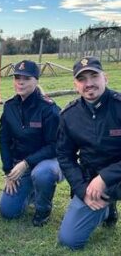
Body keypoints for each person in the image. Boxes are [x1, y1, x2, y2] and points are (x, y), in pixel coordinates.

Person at [57, 56, 121, 249]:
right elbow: (64, 156)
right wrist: (82, 190)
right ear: (76, 84)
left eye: (94, 76)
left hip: (113, 176)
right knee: (70, 240)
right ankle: (108, 209)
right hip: (91, 183)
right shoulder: (69, 115)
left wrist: (105, 177)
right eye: (82, 79)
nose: (89, 83)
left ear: (105, 78)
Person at [0, 60, 63, 226]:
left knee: (42, 173)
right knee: (7, 211)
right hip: (20, 165)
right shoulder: (9, 107)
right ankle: (31, 191)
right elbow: (3, 140)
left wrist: (26, 163)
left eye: (26, 78)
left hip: (47, 162)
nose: (20, 81)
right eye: (17, 77)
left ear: (36, 80)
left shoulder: (48, 108)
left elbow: (55, 146)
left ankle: (43, 208)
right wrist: (8, 171)